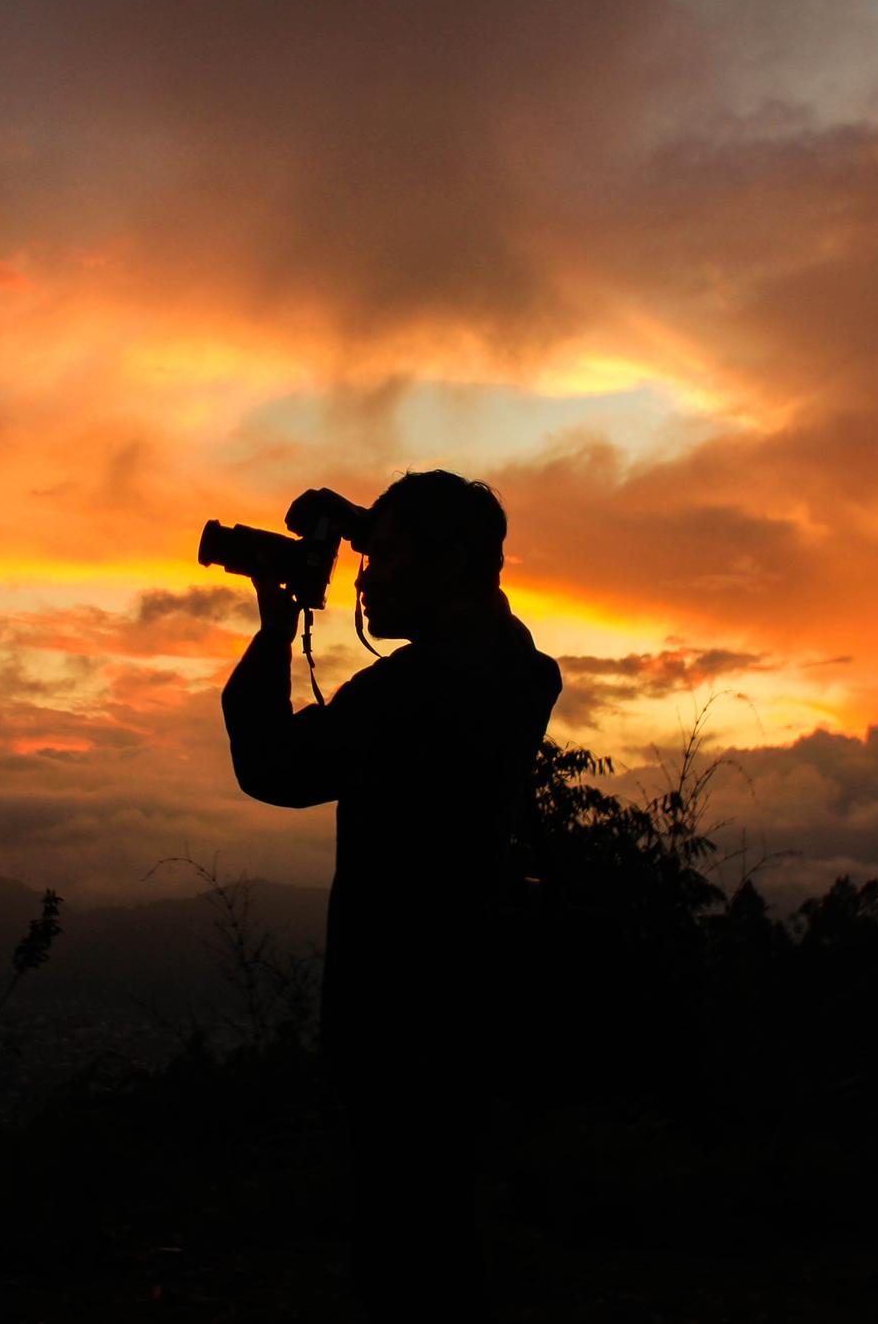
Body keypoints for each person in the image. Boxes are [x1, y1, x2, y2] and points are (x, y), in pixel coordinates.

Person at [221, 469, 562, 1320]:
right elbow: (478, 607)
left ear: (445, 564)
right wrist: (363, 526)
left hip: (396, 1004)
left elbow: (273, 767)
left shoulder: (409, 692)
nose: (366, 577)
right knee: (445, 1228)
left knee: (399, 1246)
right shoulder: (519, 670)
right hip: (473, 992)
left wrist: (274, 630)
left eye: (387, 556)